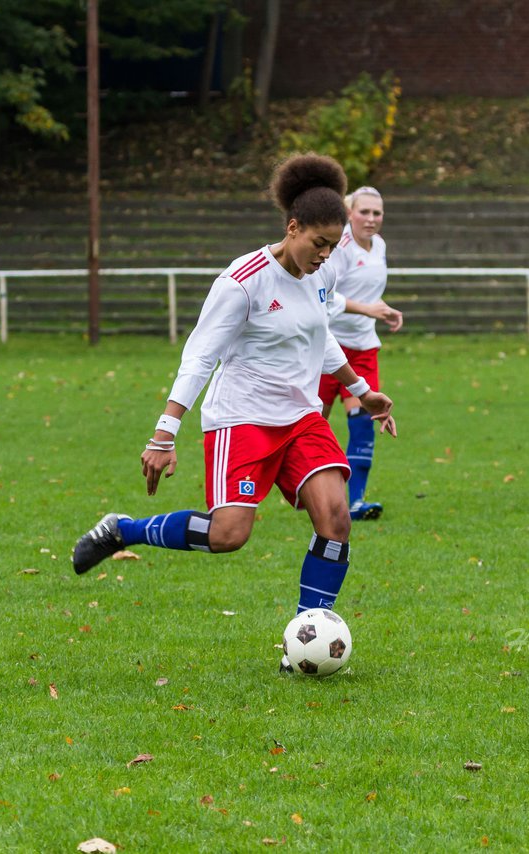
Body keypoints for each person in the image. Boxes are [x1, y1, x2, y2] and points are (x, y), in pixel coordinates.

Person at [71, 153, 397, 671]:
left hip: (302, 418)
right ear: (292, 227)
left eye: (333, 246)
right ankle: (123, 530)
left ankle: (303, 642)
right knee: (229, 536)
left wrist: (359, 388)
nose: (325, 255)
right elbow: (200, 355)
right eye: (318, 243)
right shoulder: (243, 281)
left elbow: (319, 332)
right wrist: (164, 432)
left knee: (336, 519)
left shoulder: (323, 272)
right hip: (241, 419)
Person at [317, 186, 403, 521]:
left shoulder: (379, 245)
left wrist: (381, 310)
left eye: (377, 213)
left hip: (364, 348)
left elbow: (369, 295)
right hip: (327, 346)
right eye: (364, 212)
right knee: (311, 423)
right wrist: (367, 309)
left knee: (364, 422)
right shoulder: (338, 249)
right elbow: (325, 296)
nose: (371, 219)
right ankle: (300, 487)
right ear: (349, 213)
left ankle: (354, 502)